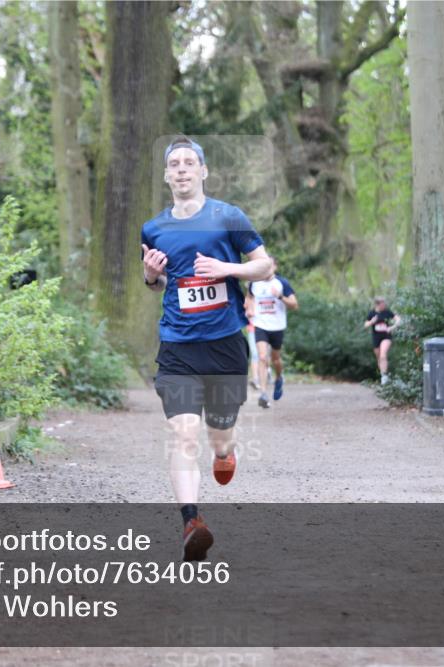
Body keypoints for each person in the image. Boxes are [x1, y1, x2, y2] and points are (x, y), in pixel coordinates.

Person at [140, 136, 272, 561]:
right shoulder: (153, 228)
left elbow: (265, 265)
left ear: (202, 171)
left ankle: (226, 451)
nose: (181, 169)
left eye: (188, 162)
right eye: (174, 164)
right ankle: (191, 522)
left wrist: (227, 269)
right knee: (182, 433)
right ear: (166, 175)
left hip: (224, 346)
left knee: (218, 437)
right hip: (178, 346)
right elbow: (162, 283)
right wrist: (149, 275)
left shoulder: (227, 217)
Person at [246, 258, 297, 407]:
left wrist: (280, 296)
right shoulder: (254, 283)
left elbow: (294, 304)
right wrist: (249, 309)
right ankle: (263, 394)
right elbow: (249, 297)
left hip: (277, 326)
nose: (267, 269)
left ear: (275, 267)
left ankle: (279, 377)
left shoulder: (282, 283)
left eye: (270, 266)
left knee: (276, 359)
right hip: (260, 324)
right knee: (262, 357)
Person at [364, 296, 402, 385]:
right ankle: (382, 375)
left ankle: (384, 377)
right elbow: (365, 325)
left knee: (383, 355)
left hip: (386, 336)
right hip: (376, 337)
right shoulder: (372, 313)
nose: (384, 305)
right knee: (379, 358)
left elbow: (398, 319)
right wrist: (371, 322)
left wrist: (392, 327)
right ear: (377, 304)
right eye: (382, 304)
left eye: (384, 304)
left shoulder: (387, 312)